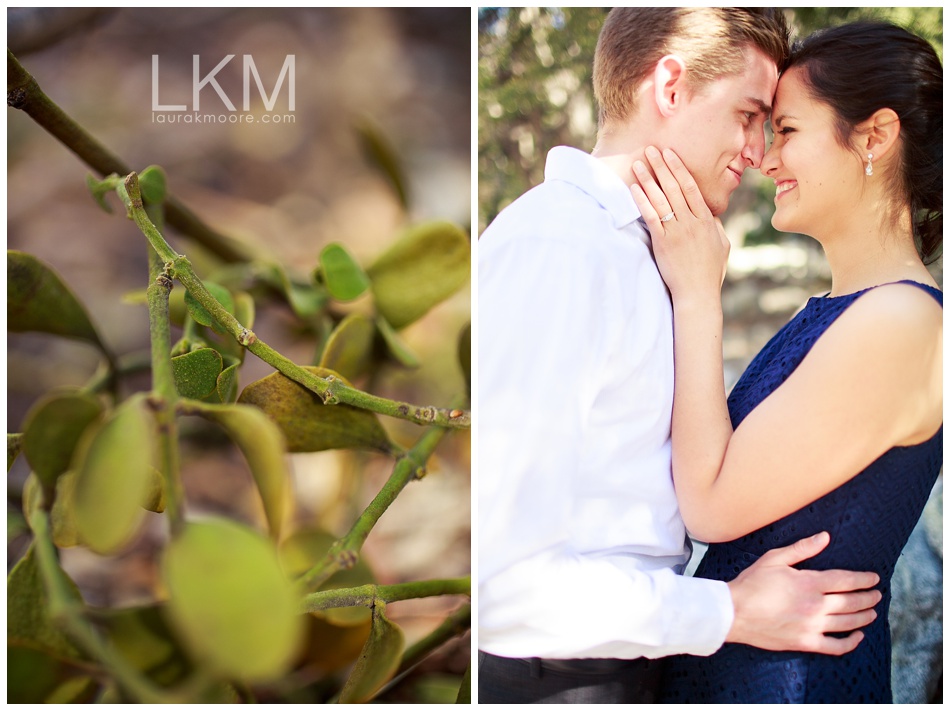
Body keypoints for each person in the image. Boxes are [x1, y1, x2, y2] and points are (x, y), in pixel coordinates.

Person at [478, 8, 882, 704]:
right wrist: (729, 609)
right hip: (561, 682)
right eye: (750, 114)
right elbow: (503, 585)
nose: (758, 152)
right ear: (670, 86)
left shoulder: (654, 251)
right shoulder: (560, 251)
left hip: (628, 667)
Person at [629, 20, 942, 703]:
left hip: (792, 685)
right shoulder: (836, 310)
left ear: (874, 137)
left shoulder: (902, 320)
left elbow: (708, 506)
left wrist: (697, 293)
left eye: (788, 131)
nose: (766, 160)